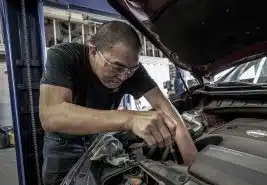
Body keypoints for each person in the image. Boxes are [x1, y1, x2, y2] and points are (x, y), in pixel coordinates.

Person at [39, 21, 197, 185]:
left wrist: (191, 164)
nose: (123, 77)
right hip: (64, 144)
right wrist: (130, 118)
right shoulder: (65, 56)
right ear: (93, 51)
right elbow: (51, 115)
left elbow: (163, 105)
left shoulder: (130, 70)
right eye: (116, 67)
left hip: (100, 139)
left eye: (131, 69)